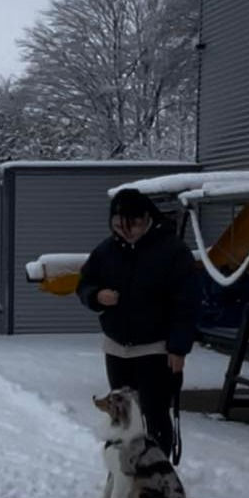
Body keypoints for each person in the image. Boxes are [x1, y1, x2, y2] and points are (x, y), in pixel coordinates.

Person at [77, 187, 200, 459]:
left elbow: (187, 303)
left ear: (147, 218)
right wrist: (96, 296)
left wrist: (178, 348)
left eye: (132, 224)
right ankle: (124, 472)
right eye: (119, 225)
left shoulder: (173, 252)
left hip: (156, 348)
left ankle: (157, 475)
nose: (126, 231)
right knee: (122, 415)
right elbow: (84, 284)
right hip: (116, 348)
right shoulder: (106, 251)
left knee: (155, 414)